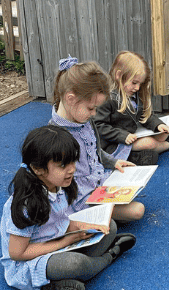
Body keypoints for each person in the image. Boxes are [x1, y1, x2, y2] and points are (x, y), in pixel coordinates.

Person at [0, 125, 137, 290]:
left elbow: (61, 223)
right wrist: (64, 242)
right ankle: (111, 255)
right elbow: (17, 254)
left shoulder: (58, 186)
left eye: (73, 162)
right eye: (63, 165)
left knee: (109, 227)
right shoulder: (25, 205)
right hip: (30, 263)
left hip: (57, 245)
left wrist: (82, 227)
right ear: (37, 168)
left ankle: (68, 278)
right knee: (75, 264)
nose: (72, 169)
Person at [48, 56, 145, 223]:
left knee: (134, 187)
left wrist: (113, 162)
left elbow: (92, 149)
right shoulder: (55, 136)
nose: (94, 114)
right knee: (137, 211)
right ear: (71, 98)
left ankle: (106, 216)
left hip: (98, 181)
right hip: (80, 198)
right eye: (91, 108)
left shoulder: (84, 120)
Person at [92, 51, 169, 165]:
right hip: (114, 142)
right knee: (149, 144)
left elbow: (144, 115)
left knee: (164, 132)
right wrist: (123, 136)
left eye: (140, 84)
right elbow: (99, 126)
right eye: (134, 83)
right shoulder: (106, 98)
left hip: (133, 134)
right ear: (118, 75)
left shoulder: (133, 93)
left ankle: (161, 143)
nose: (137, 88)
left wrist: (158, 125)